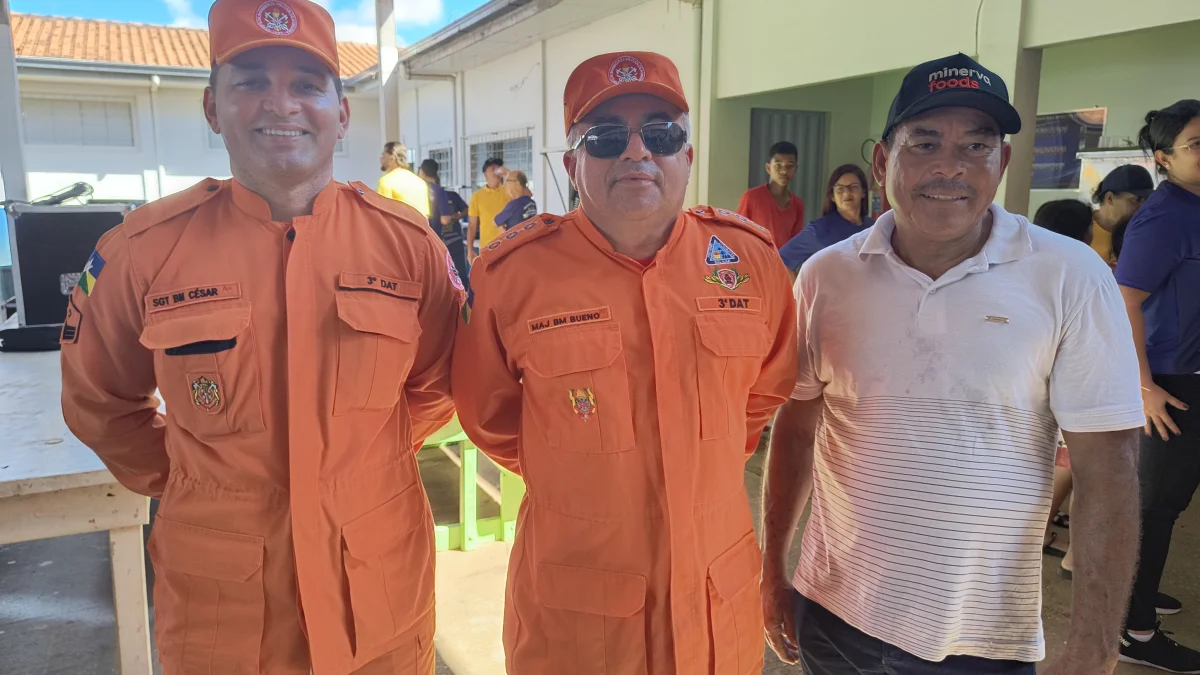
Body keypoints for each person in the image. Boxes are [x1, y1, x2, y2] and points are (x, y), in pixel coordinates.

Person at [58, 1, 463, 673]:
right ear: (212, 107)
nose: (281, 104)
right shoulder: (141, 253)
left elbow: (438, 383)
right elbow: (99, 404)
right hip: (225, 613)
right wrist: (201, 479)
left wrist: (353, 463)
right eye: (250, 82)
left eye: (306, 84)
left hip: (379, 598)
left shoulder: (408, 246)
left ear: (342, 113)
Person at [760, 53, 1144, 675]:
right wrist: (772, 568)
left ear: (1003, 162)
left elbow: (1107, 465)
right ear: (882, 162)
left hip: (978, 640)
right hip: (830, 614)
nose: (950, 166)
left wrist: (1095, 647)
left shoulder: (1070, 275)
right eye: (925, 143)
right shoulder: (826, 276)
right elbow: (798, 427)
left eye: (976, 145)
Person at [451, 51, 798, 675]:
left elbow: (764, 392)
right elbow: (491, 418)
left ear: (686, 156)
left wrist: (696, 455)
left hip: (717, 611)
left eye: (660, 134)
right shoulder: (512, 276)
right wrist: (586, 470)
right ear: (571, 165)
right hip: (577, 625)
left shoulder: (750, 262)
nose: (637, 152)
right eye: (606, 138)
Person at [1115, 99, 1200, 672]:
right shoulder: (1164, 216)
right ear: (1164, 158)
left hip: (1190, 375)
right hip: (1168, 382)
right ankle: (1133, 628)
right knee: (1153, 509)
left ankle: (1137, 597)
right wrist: (1143, 386)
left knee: (1168, 504)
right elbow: (1124, 302)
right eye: (1197, 144)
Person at [1030, 198, 1095, 580]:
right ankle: (1070, 553)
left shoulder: (1026, 268)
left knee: (1062, 462)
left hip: (1038, 386)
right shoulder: (1082, 272)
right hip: (1071, 385)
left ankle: (1040, 532)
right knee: (1081, 465)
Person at [778, 164, 874, 271]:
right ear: (832, 196)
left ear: (863, 192)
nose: (847, 193)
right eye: (840, 189)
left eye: (854, 187)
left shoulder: (874, 227)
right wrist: (801, 282)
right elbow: (780, 260)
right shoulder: (819, 229)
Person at [736, 140, 805, 249]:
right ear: (768, 168)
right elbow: (738, 234)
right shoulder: (751, 198)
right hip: (755, 258)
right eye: (778, 165)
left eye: (789, 166)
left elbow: (795, 243)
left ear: (795, 169)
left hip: (782, 259)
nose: (784, 171)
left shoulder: (797, 204)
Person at [419, 158, 470, 294]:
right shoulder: (438, 192)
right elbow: (445, 220)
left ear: (422, 172)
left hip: (425, 239)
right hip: (436, 239)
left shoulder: (415, 190)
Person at [1091, 164, 1155, 266]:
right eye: (1136, 199)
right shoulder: (1079, 230)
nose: (1142, 207)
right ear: (1110, 198)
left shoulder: (1144, 232)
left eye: (1146, 200)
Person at [466, 157, 511, 262]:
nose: (496, 172)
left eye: (498, 168)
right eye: (493, 169)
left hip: (508, 246)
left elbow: (523, 194)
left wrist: (508, 174)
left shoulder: (509, 190)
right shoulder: (477, 196)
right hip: (488, 249)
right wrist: (470, 250)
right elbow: (472, 225)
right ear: (485, 174)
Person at [378, 141, 431, 216]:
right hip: (418, 223)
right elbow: (425, 215)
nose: (381, 157)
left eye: (383, 154)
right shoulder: (420, 182)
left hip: (398, 223)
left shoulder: (386, 181)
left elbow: (383, 213)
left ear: (392, 158)